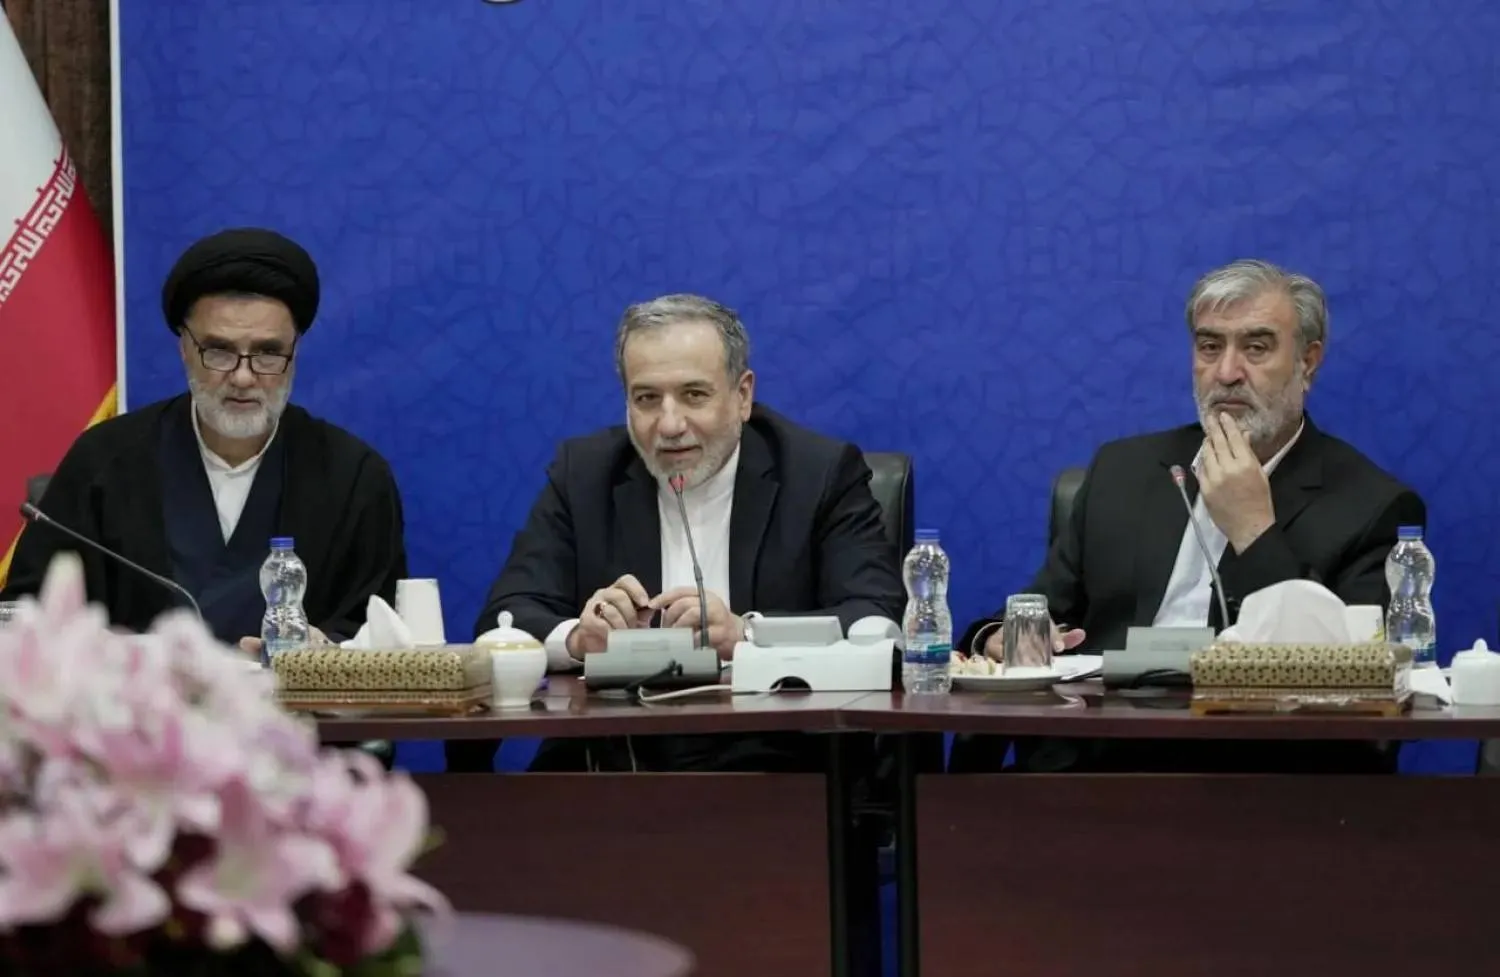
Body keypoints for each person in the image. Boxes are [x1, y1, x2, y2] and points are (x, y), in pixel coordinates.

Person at [950, 259, 1425, 774]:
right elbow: (1035, 616)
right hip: (1094, 761)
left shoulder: (1372, 505)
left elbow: (1343, 685)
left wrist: (1253, 531)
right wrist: (1000, 639)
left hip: (1258, 776)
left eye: (1257, 347)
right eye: (1209, 346)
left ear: (1308, 363)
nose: (1227, 373)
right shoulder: (1123, 471)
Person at [448, 293, 905, 773]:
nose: (669, 424)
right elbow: (508, 618)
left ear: (742, 396)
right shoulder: (584, 474)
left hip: (775, 751)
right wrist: (580, 639)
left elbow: (875, 617)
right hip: (613, 751)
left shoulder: (819, 474)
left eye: (694, 395)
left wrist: (745, 635)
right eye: (647, 399)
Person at [1, 227, 407, 652]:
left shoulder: (355, 477)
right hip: (139, 714)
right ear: (184, 348)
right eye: (219, 351)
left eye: (268, 352)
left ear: (295, 352)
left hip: (300, 715)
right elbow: (26, 619)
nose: (244, 376)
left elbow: (380, 631)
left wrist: (327, 650)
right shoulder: (104, 461)